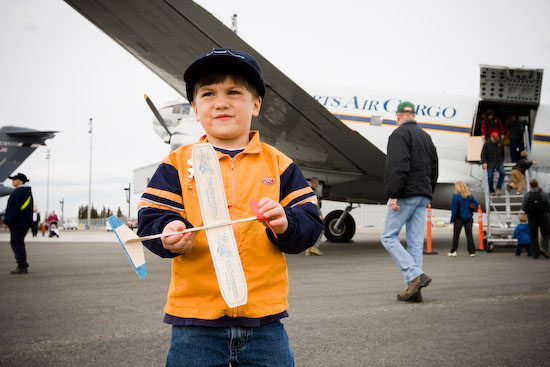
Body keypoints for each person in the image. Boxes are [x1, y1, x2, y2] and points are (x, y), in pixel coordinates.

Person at [137, 48, 324, 366]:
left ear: (256, 103)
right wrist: (166, 231)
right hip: (194, 323)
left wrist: (286, 223)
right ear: (195, 109)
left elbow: (310, 221)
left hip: (264, 322)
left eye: (234, 92)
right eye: (208, 94)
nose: (221, 102)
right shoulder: (176, 165)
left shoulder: (279, 165)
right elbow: (150, 218)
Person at [381, 101, 438, 303]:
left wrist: (394, 193)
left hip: (405, 194)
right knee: (415, 243)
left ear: (397, 117)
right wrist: (428, 192)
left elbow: (398, 164)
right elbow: (434, 168)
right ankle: (414, 291)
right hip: (423, 194)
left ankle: (415, 275)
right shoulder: (426, 137)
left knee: (388, 237)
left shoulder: (398, 135)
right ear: (414, 116)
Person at [3, 173, 33, 274]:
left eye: (14, 179)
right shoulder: (26, 192)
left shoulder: (18, 193)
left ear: (20, 181)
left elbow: (13, 209)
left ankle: (22, 265)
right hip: (24, 223)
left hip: (17, 223)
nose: (12, 181)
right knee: (18, 242)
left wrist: (6, 221)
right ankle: (22, 263)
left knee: (16, 243)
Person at [448, 181, 479, 257]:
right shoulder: (469, 196)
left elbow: (454, 209)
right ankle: (472, 252)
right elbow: (476, 204)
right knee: (469, 235)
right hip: (468, 217)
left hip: (459, 218)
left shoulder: (456, 197)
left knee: (456, 235)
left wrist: (452, 219)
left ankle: (454, 251)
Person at [521, 180, 550, 259]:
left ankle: (535, 254)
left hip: (532, 217)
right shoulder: (543, 194)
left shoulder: (527, 195)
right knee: (546, 234)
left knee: (534, 236)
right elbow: (548, 204)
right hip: (544, 216)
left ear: (530, 186)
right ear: (537, 185)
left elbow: (523, 206)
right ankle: (544, 248)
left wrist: (528, 212)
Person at [305, 177, 324, 256]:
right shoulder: (314, 193)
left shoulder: (308, 191)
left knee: (311, 231)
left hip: (309, 213)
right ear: (314, 183)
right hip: (314, 214)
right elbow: (315, 205)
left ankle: (308, 249)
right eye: (317, 183)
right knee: (321, 229)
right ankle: (314, 247)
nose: (318, 184)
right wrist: (320, 214)